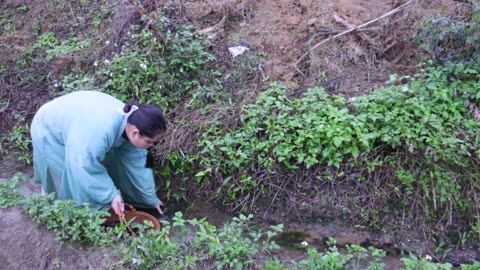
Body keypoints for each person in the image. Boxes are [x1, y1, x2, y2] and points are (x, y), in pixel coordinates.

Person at [30, 90, 167, 217]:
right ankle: (62, 214)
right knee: (67, 179)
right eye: (149, 142)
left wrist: (150, 200)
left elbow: (138, 166)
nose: (151, 146)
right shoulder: (98, 132)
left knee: (100, 166)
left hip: (80, 124)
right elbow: (84, 165)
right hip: (50, 127)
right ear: (135, 133)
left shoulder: (132, 122)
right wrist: (110, 195)